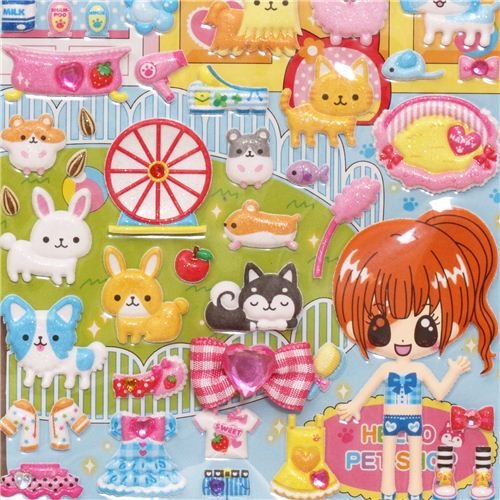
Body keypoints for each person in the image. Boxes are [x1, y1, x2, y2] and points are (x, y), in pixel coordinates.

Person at [333, 208, 497, 500]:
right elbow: (368, 389)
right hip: (391, 419)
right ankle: (387, 491)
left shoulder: (419, 370)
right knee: (388, 455)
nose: (402, 340)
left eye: (426, 328)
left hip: (413, 419)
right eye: (380, 327)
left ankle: (415, 491)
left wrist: (454, 372)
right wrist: (354, 405)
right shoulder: (387, 370)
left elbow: (440, 392)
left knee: (415, 455)